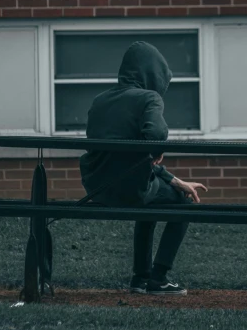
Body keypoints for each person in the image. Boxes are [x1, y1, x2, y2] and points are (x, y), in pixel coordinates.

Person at [79, 41, 207, 296]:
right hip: (131, 189)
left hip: (97, 187)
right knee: (183, 204)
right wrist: (158, 150)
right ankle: (158, 278)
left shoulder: (100, 100)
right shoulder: (149, 98)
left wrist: (174, 180)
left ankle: (140, 278)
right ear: (153, 74)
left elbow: (124, 159)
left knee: (150, 204)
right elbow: (157, 135)